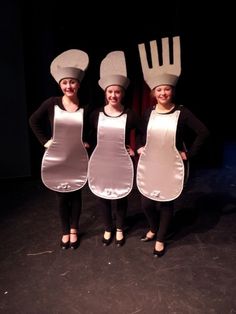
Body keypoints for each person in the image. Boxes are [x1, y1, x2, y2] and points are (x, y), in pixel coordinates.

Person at [137, 36, 209, 257]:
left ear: (172, 91)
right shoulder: (149, 112)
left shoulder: (182, 112)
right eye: (159, 90)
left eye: (166, 90)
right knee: (147, 203)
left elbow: (203, 132)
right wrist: (140, 146)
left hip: (170, 163)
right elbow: (141, 132)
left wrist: (189, 153)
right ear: (154, 93)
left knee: (166, 203)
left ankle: (160, 238)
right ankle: (153, 227)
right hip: (151, 163)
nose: (163, 93)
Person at [29, 49, 90, 250]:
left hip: (77, 157)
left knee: (76, 194)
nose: (68, 86)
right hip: (57, 157)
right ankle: (65, 230)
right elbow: (33, 121)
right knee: (62, 195)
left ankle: (74, 229)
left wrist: (87, 142)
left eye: (72, 82)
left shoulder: (86, 106)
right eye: (65, 83)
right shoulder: (51, 103)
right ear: (60, 85)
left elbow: (93, 128)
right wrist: (45, 141)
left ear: (78, 84)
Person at [88, 51, 139, 247]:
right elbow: (89, 135)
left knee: (121, 195)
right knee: (102, 195)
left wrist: (134, 147)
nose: (113, 95)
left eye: (117, 92)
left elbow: (142, 133)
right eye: (110, 92)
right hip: (101, 160)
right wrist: (87, 145)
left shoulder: (130, 114)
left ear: (122, 94)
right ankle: (108, 228)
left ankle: (119, 228)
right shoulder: (95, 114)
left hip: (120, 161)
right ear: (105, 93)